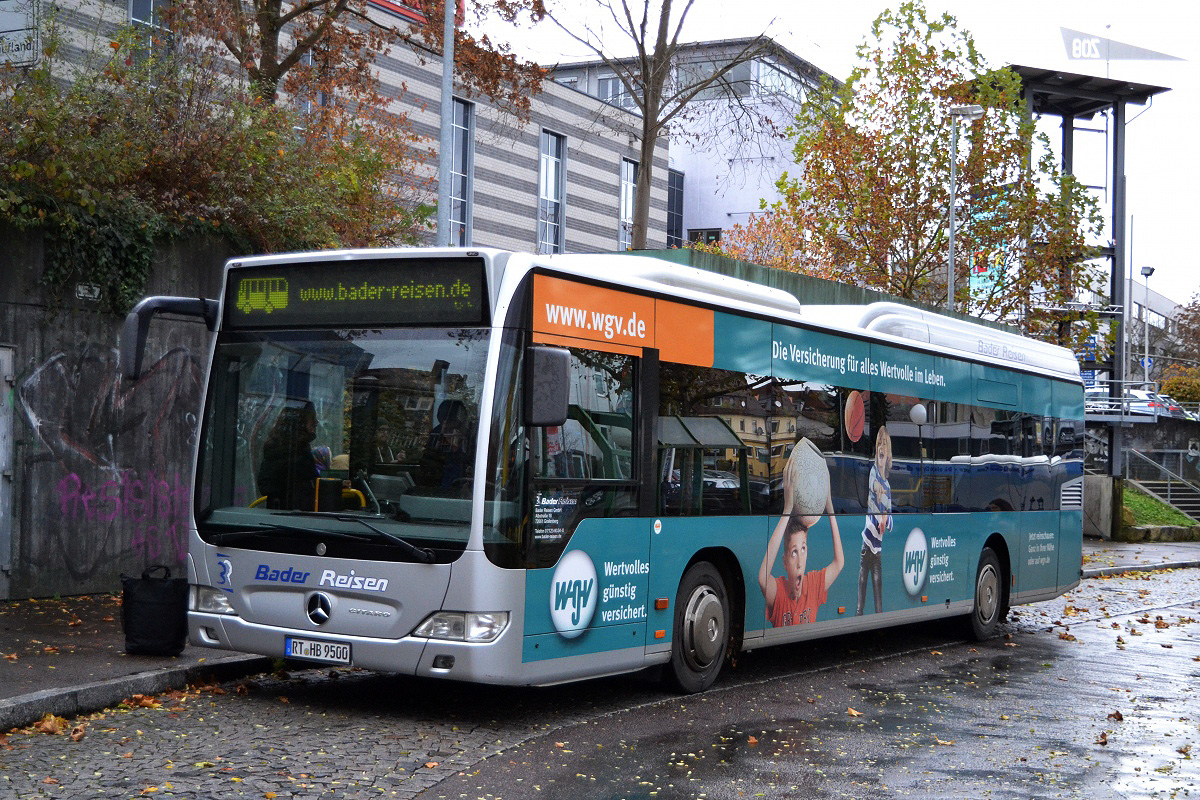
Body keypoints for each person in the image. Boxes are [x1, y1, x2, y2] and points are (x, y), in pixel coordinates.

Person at [758, 453, 844, 627]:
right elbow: (762, 577)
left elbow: (839, 563)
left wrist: (830, 508)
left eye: (803, 549)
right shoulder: (778, 592)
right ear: (785, 562)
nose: (799, 562)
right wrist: (787, 511)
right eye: (794, 552)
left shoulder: (813, 585)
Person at [856, 426, 893, 616]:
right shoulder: (872, 473)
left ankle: (878, 614)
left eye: (885, 444)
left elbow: (891, 518)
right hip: (868, 539)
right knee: (863, 579)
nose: (881, 447)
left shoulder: (887, 484)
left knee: (877, 581)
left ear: (888, 455)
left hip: (877, 544)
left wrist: (885, 519)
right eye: (879, 443)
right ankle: (858, 612)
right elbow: (875, 490)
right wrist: (883, 513)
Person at [256, 402, 319, 510]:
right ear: (300, 423)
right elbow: (310, 485)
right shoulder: (298, 453)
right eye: (312, 419)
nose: (316, 422)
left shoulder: (276, 446)